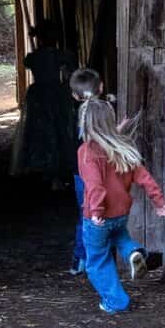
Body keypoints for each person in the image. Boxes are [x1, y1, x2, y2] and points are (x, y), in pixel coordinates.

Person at [77, 97, 165, 314]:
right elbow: (144, 177)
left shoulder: (87, 151)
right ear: (110, 122)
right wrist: (159, 202)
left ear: (85, 123)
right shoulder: (121, 148)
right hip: (120, 214)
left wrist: (96, 212)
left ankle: (116, 302)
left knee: (98, 262)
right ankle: (133, 252)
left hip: (98, 217)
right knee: (120, 236)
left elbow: (95, 185)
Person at [18, 19, 79, 182]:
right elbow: (71, 72)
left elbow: (28, 62)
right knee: (60, 130)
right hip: (57, 95)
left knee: (41, 131)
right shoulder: (63, 55)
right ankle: (57, 169)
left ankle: (45, 168)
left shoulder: (33, 57)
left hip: (39, 96)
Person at [67, 68, 103, 275]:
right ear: (101, 87)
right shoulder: (106, 111)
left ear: (74, 95)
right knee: (109, 213)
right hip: (103, 171)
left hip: (81, 172)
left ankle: (80, 259)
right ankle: (103, 259)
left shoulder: (74, 114)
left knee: (86, 214)